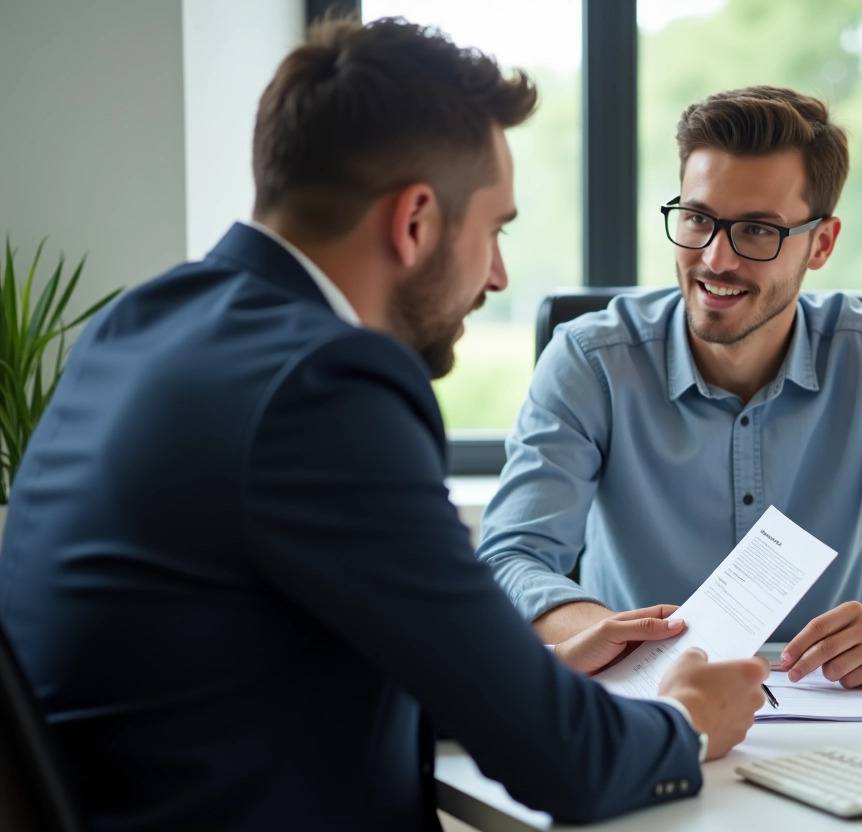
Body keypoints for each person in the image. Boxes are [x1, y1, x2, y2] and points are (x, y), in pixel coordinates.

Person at [0, 18, 769, 831]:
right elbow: (563, 764)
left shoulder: (141, 324)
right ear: (415, 222)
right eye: (496, 229)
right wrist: (685, 720)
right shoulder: (325, 387)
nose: (499, 275)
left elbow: (240, 672)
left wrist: (536, 673)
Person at [477, 85, 862, 688]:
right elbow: (509, 560)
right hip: (642, 702)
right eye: (699, 219)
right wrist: (615, 638)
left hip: (828, 717)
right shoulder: (590, 359)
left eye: (757, 231)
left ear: (822, 243)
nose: (715, 259)